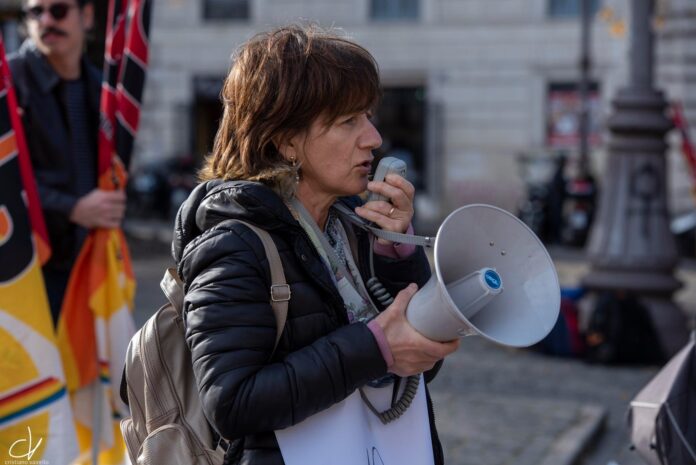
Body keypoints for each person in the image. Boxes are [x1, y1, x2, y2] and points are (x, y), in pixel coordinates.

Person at [173, 25, 459, 465]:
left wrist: (397, 252)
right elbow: (230, 403)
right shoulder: (233, 244)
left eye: (368, 116)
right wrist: (374, 348)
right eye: (349, 121)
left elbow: (420, 365)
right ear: (286, 140)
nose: (374, 138)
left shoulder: (352, 225)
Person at [9, 0, 127, 324]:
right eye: (36, 12)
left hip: (90, 262)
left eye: (58, 10)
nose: (47, 20)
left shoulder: (99, 87)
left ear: (87, 16)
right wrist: (72, 207)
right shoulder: (9, 83)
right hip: (28, 269)